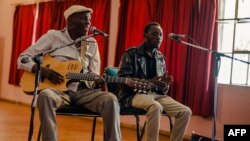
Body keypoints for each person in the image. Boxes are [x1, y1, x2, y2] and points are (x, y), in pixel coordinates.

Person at [17, 5, 121, 141]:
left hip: (84, 92)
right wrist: (43, 71)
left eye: (89, 19)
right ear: (70, 21)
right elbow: (23, 59)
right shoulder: (53, 37)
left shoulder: (91, 43)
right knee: (45, 96)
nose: (88, 23)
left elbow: (93, 74)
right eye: (83, 18)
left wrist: (96, 82)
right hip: (58, 92)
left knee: (111, 100)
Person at [117, 22, 192, 141]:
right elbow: (122, 80)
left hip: (156, 95)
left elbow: (160, 84)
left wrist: (164, 86)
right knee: (155, 107)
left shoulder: (161, 57)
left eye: (161, 35)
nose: (159, 38)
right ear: (145, 35)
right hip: (134, 94)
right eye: (155, 34)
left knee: (185, 111)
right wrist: (149, 83)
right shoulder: (131, 54)